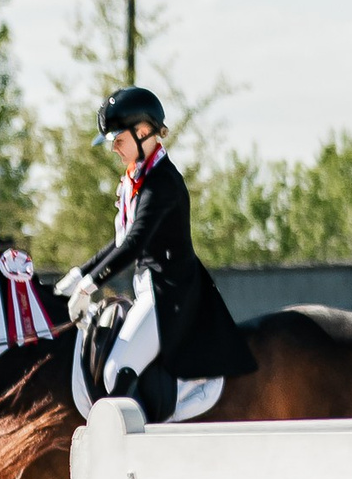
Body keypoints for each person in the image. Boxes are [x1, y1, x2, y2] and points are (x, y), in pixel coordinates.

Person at [53, 86, 254, 422]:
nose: (115, 148)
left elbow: (134, 244)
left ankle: (144, 452)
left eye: (119, 140)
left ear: (143, 132)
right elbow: (120, 242)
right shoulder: (138, 179)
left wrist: (89, 287)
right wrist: (76, 276)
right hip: (150, 288)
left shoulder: (162, 183)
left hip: (171, 293)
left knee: (118, 368)